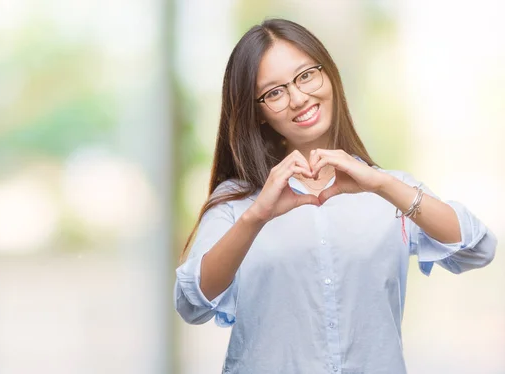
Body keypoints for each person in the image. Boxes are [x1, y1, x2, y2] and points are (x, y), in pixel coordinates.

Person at [173, 18, 497, 374]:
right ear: (259, 112)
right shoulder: (237, 202)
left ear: (329, 74)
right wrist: (256, 217)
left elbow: (477, 249)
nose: (298, 98)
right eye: (275, 92)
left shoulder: (388, 190)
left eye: (306, 75)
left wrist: (382, 185)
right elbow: (192, 305)